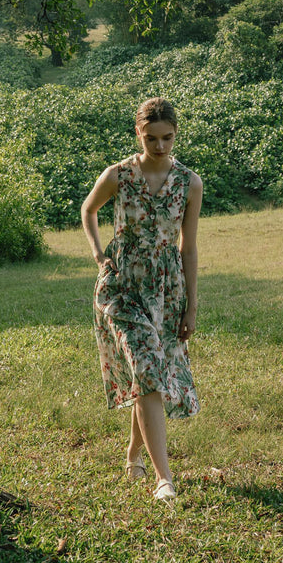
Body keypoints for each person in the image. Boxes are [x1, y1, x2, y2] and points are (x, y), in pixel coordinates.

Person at [81, 97, 203, 502]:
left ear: (176, 134)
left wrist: (191, 304)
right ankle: (163, 478)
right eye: (152, 138)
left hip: (167, 292)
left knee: (147, 373)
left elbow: (188, 247)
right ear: (139, 133)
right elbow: (88, 210)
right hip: (121, 288)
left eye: (168, 137)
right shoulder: (118, 175)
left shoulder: (189, 183)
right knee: (148, 364)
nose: (161, 146)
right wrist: (99, 255)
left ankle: (133, 453)